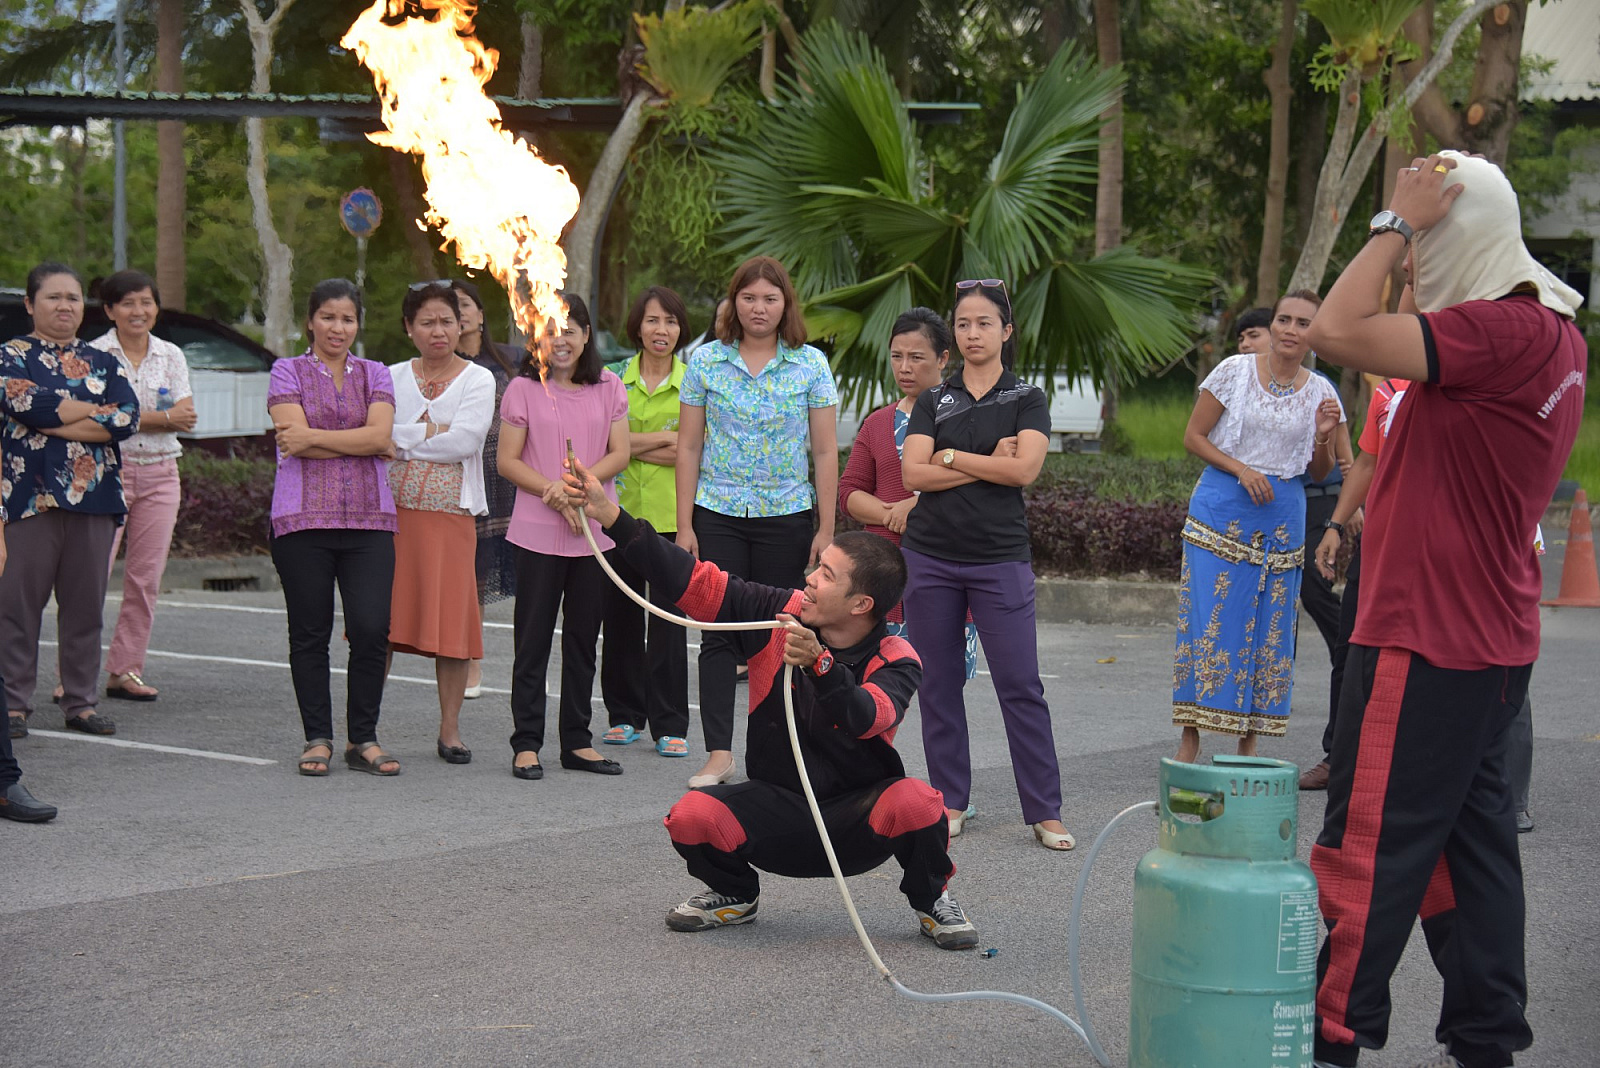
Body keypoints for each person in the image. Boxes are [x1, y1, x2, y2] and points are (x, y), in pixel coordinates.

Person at [1303, 152, 1585, 1068]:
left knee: (1368, 850)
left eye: (1430, 245)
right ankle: (1487, 1039)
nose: (1416, 265)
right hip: (1487, 637)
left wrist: (1393, 221)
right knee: (1471, 851)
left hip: (1424, 636)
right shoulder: (1552, 334)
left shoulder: (1497, 331)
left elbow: (1334, 330)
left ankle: (1329, 1039)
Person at [562, 456, 979, 950]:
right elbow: (693, 581)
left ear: (861, 604)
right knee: (692, 813)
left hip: (857, 824)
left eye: (827, 574)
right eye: (817, 567)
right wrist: (609, 514)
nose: (811, 578)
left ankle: (932, 899)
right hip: (777, 812)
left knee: (919, 801)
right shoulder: (778, 614)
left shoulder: (897, 655)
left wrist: (821, 665)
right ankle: (735, 894)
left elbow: (867, 717)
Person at [900, 279, 1073, 852]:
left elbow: (1023, 471)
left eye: (984, 323)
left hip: (1000, 558)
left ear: (1006, 331)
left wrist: (950, 456)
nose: (972, 333)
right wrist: (982, 462)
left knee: (1020, 684)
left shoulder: (1027, 398)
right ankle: (949, 800)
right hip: (929, 556)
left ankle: (1044, 810)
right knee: (939, 682)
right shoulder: (934, 399)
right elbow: (913, 475)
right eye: (963, 324)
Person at [676, 256, 839, 789]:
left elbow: (824, 451)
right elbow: (689, 446)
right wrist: (684, 525)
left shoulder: (810, 365)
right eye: (749, 297)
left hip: (787, 515)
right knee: (718, 632)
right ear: (734, 302)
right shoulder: (705, 362)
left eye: (770, 298)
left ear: (785, 303)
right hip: (717, 513)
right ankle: (719, 755)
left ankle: (779, 753)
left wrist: (826, 528)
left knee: (780, 632)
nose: (759, 308)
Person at [1171, 289, 1342, 762]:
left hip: (1282, 520)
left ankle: (1248, 745)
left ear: (1315, 333)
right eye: (1284, 319)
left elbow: (1322, 472)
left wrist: (1324, 437)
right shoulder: (1234, 371)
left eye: (1303, 323)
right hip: (1220, 511)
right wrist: (1241, 469)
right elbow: (1194, 437)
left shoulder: (1322, 391)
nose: (1291, 330)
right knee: (1208, 623)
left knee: (1269, 630)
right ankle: (1190, 738)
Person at [268, 279, 400, 778]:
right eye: (327, 317)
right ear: (310, 321)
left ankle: (362, 738)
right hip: (301, 520)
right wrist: (363, 441)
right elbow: (292, 440)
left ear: (357, 324)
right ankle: (317, 738)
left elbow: (381, 435)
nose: (337, 328)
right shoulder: (286, 370)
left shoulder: (376, 373)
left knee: (371, 629)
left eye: (347, 318)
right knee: (310, 633)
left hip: (371, 520)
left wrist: (314, 438)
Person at [1, 262, 139, 740]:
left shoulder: (105, 361)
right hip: (28, 498)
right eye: (53, 297)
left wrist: (52, 419)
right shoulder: (11, 356)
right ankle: (12, 705)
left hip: (95, 498)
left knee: (85, 608)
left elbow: (127, 417)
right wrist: (92, 411)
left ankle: (80, 702)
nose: (64, 306)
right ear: (30, 304)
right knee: (17, 607)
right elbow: (24, 403)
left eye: (73, 298)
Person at [498, 292, 630, 781]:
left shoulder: (609, 386)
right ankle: (526, 743)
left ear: (587, 335)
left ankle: (577, 740)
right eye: (551, 329)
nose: (560, 340)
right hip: (536, 533)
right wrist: (553, 491)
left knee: (582, 641)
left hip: (593, 531)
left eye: (570, 330)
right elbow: (507, 460)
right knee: (532, 641)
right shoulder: (523, 389)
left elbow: (620, 452)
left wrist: (579, 488)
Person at [836, 308, 978, 689]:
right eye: (897, 356)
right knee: (878, 692)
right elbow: (849, 492)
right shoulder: (877, 423)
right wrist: (892, 513)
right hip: (885, 579)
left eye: (916, 357)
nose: (904, 367)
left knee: (941, 693)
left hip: (947, 570)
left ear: (943, 358)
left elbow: (979, 482)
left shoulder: (968, 417)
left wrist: (915, 506)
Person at [387, 283, 496, 764]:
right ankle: (363, 728)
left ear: (461, 324)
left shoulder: (479, 379)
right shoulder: (389, 376)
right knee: (379, 623)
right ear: (409, 328)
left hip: (452, 517)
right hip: (391, 518)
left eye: (447, 321)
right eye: (427, 322)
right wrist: (431, 430)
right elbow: (375, 432)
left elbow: (465, 442)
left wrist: (402, 440)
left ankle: (450, 730)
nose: (439, 331)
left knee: (453, 626)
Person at [87, 269, 197, 703]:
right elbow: (96, 419)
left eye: (146, 302)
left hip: (161, 474)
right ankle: (73, 674)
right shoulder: (94, 355)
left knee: (145, 579)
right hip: (104, 474)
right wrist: (159, 418)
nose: (139, 311)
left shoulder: (171, 354)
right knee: (89, 577)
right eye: (128, 303)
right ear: (110, 310)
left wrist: (128, 417)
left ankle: (125, 670)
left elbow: (186, 416)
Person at [599, 286, 693, 757]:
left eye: (671, 321)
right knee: (619, 617)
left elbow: (691, 451)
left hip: (673, 516)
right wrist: (662, 440)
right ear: (637, 326)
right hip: (616, 514)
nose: (662, 330)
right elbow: (603, 443)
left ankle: (670, 723)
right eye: (653, 320)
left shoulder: (694, 382)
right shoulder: (612, 378)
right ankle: (623, 715)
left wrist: (631, 444)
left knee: (669, 622)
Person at [448, 278, 520, 700]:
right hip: (469, 481)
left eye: (464, 304)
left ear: (480, 313)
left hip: (514, 481)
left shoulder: (514, 359)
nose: (458, 313)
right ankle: (472, 663)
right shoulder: (445, 366)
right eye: (450, 307)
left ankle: (528, 668)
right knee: (472, 578)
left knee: (528, 578)